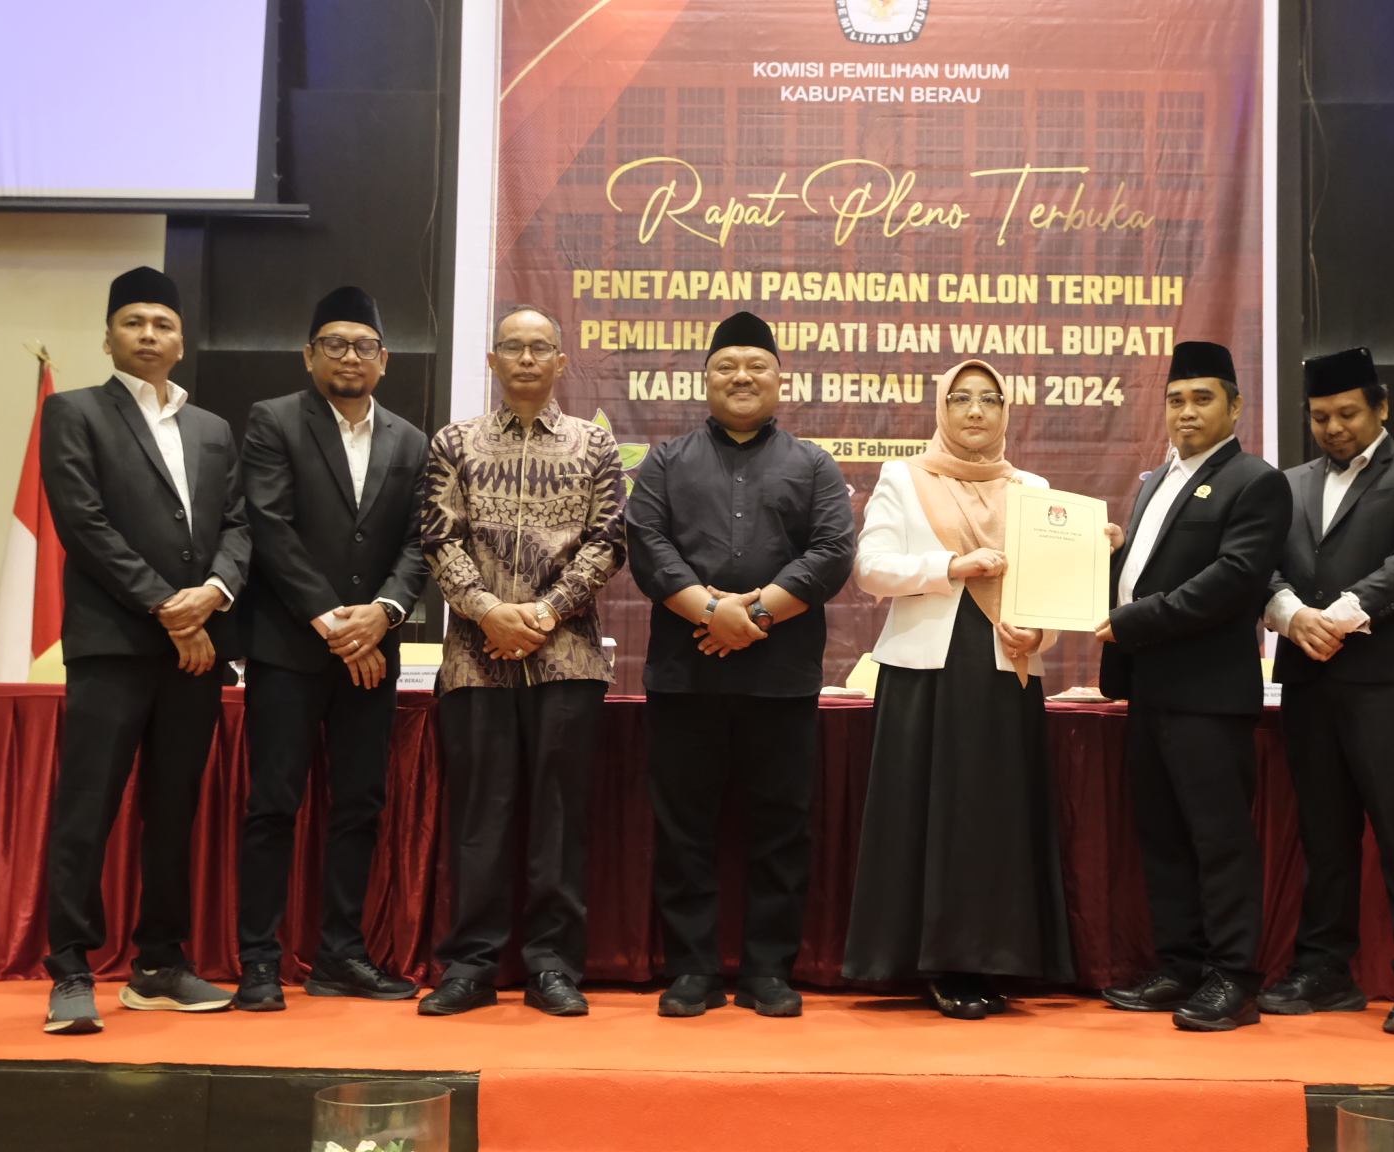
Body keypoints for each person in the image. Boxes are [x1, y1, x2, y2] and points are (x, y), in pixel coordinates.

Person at [37, 266, 250, 1034]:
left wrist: (213, 594)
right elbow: (83, 523)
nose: (149, 335)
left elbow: (240, 526)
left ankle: (159, 964)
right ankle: (70, 969)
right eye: (133, 323)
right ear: (108, 338)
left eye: (162, 324)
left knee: (173, 809)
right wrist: (168, 607)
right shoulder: (74, 412)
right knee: (86, 808)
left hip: (195, 653)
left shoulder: (212, 429)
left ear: (181, 341)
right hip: (115, 646)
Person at [626, 311, 857, 1018]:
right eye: (727, 366)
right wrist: (709, 611)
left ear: (781, 380)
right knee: (683, 829)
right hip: (685, 675)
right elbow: (647, 545)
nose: (742, 377)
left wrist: (753, 617)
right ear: (705, 380)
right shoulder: (665, 461)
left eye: (757, 365)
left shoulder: (813, 464)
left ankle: (767, 971)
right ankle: (692, 969)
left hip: (779, 680)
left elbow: (831, 552)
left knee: (782, 830)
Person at [841, 358, 1073, 1018]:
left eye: (989, 399)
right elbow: (870, 568)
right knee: (927, 815)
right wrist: (952, 564)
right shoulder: (905, 477)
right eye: (961, 398)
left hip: (1006, 670)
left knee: (993, 818)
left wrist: (1040, 635)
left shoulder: (1032, 489)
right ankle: (935, 962)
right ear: (941, 408)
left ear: (1006, 411)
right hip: (925, 672)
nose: (975, 410)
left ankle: (993, 958)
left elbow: (1051, 590)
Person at [416, 305, 628, 1018]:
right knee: (481, 815)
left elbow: (608, 541)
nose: (528, 359)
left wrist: (544, 612)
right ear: (493, 361)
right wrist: (487, 611)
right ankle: (471, 966)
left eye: (541, 348)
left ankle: (553, 967)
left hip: (567, 657)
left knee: (559, 820)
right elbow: (438, 538)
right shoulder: (455, 443)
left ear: (562, 361)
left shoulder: (594, 445)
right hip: (476, 660)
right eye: (514, 347)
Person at [232, 287, 429, 1011]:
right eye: (336, 344)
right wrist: (332, 622)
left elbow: (419, 541)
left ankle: (341, 955)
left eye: (364, 346)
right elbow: (270, 526)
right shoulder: (274, 420)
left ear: (385, 359)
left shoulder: (412, 440)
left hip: (373, 649)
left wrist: (383, 613)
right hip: (290, 648)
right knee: (273, 804)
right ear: (309, 355)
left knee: (360, 805)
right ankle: (258, 960)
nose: (351, 357)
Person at [1259, 347, 1394, 1035]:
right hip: (1310, 683)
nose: (1334, 428)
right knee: (1325, 837)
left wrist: (1335, 618)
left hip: (1392, 685)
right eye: (1320, 417)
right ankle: (1325, 970)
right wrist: (1290, 616)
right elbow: (1260, 565)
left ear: (1381, 407)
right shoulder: (1288, 484)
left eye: (1347, 413)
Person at [1093, 340, 1291, 1032]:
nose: (1186, 411)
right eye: (1175, 399)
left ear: (1235, 407)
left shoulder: (1256, 482)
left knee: (1219, 840)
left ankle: (1234, 977)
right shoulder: (1157, 480)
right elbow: (1151, 568)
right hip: (1150, 689)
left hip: (1209, 695)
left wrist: (1132, 620)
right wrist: (1110, 555)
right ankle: (1179, 965)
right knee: (1165, 837)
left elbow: (1233, 581)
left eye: (1202, 398)